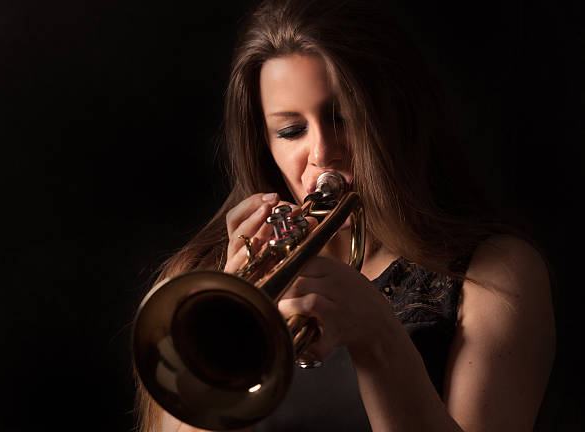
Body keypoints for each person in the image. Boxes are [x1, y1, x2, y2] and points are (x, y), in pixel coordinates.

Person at [134, 0, 556, 430]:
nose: (322, 153)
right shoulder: (194, 289)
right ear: (264, 143)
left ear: (396, 117)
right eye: (290, 130)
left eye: (342, 119)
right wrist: (223, 325)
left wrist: (377, 336)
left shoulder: (494, 275)